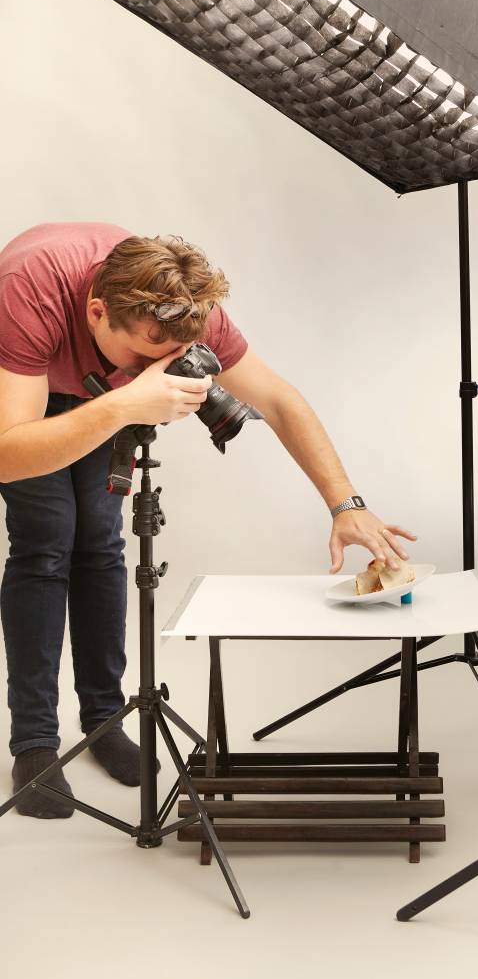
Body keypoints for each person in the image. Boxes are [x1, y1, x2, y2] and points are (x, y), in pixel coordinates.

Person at [0, 222, 418, 818]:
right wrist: (124, 402)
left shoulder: (186, 313)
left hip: (99, 389)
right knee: (45, 545)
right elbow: (8, 450)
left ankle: (102, 720)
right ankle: (35, 742)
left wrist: (345, 504)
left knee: (99, 545)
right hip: (18, 383)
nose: (167, 370)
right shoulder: (30, 289)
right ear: (96, 312)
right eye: (149, 357)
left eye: (174, 359)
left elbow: (278, 400)